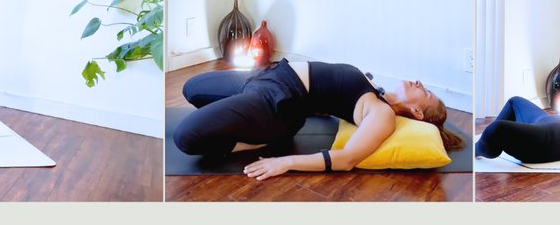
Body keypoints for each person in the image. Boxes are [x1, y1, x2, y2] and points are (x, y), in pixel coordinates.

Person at [172, 59, 462, 178]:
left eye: (426, 93)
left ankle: (254, 141)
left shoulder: (381, 114)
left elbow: (346, 158)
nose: (420, 83)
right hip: (264, 76)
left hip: (276, 102)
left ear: (417, 113)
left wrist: (284, 162)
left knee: (185, 137)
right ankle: (247, 124)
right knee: (192, 88)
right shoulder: (378, 92)